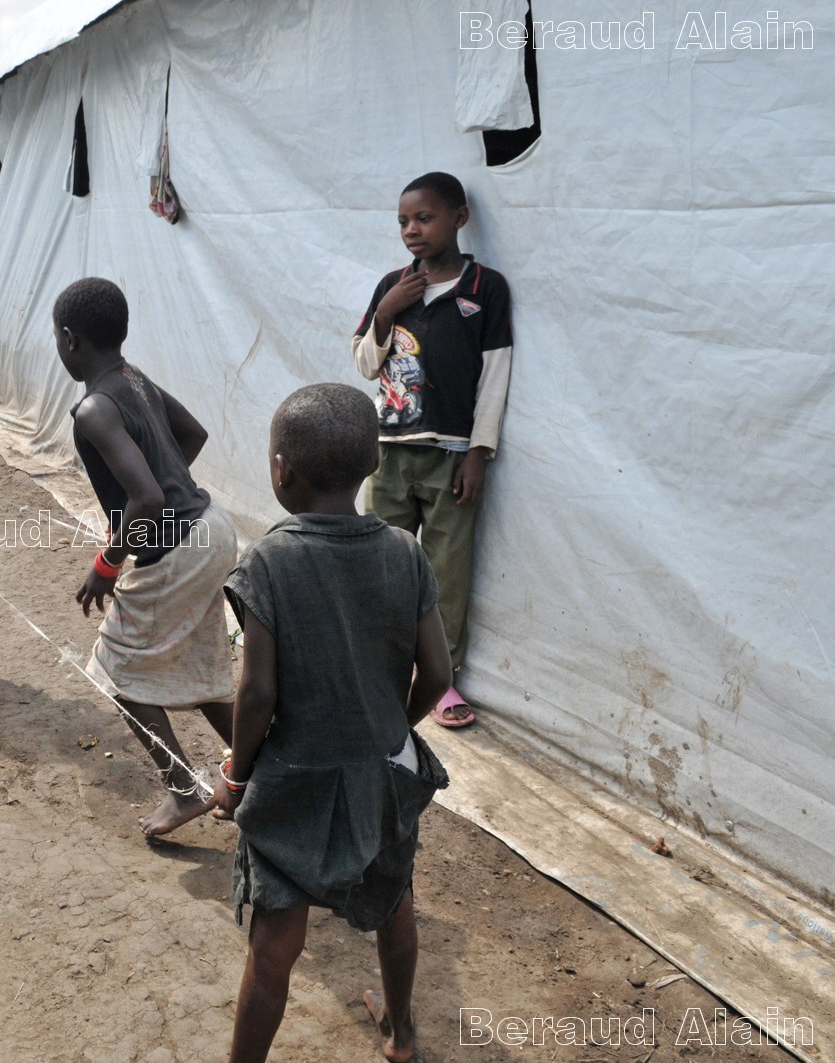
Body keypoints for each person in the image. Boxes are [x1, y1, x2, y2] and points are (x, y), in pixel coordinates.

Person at [214, 384, 451, 1063]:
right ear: (374, 464)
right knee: (394, 901)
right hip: (382, 771)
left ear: (280, 469)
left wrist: (235, 773)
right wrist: (392, 725)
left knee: (274, 947)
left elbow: (257, 693)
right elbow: (437, 673)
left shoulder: (270, 560)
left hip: (297, 781)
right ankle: (401, 1035)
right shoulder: (405, 551)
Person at [52, 277, 238, 837]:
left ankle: (184, 789)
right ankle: (266, 768)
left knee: (116, 667)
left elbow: (149, 498)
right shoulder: (135, 379)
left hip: (179, 544)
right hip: (212, 530)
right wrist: (164, 478)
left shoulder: (93, 408)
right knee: (200, 667)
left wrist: (106, 563)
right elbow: (195, 434)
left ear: (69, 339)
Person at [352, 171, 513, 728]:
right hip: (390, 450)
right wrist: (386, 312)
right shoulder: (392, 285)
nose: (413, 231)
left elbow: (495, 375)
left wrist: (479, 452)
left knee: (446, 570)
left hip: (452, 456)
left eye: (425, 218)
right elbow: (366, 365)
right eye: (403, 221)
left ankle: (440, 681)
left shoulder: (484, 289)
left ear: (459, 219)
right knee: (379, 560)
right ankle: (373, 663)